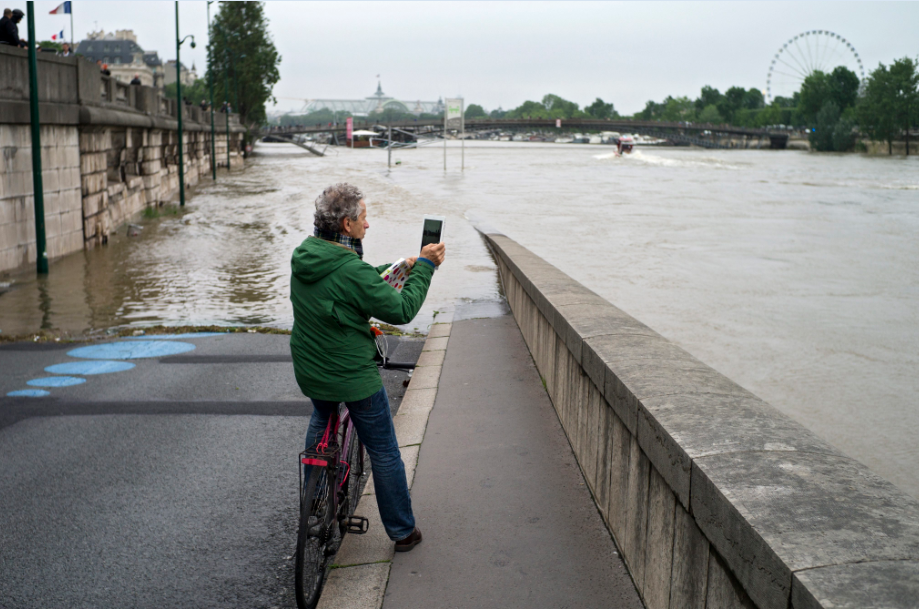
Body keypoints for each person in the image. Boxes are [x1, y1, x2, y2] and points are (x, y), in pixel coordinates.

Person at [290, 183, 446, 553]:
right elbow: (402, 310)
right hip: (351, 374)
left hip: (311, 368)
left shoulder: (306, 254)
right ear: (346, 225)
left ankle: (313, 498)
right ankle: (402, 532)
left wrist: (400, 265)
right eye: (363, 218)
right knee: (385, 451)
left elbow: (352, 279)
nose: (368, 224)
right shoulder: (350, 270)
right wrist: (424, 267)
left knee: (322, 412)